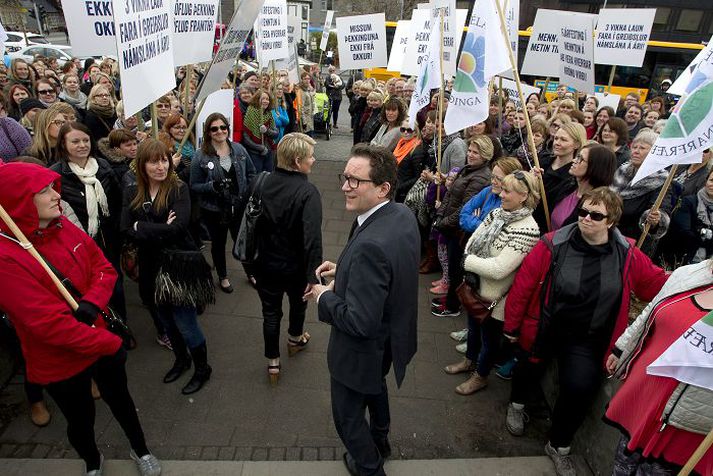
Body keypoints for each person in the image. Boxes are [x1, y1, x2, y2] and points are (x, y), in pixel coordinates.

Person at [0, 162, 162, 476]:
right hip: (60, 359)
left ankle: (140, 448)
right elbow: (46, 324)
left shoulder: (63, 225)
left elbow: (103, 269)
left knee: (122, 403)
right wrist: (109, 343)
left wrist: (90, 302)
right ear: (18, 201)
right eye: (43, 191)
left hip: (98, 337)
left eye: (52, 187)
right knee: (80, 419)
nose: (55, 195)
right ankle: (91, 461)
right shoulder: (7, 258)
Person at [503, 187, 667, 475]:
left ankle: (558, 445)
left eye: (595, 215)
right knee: (527, 364)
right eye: (582, 212)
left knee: (579, 388)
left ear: (611, 221)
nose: (586, 218)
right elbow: (524, 286)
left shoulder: (627, 254)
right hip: (546, 326)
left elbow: (656, 285)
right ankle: (517, 404)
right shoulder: (553, 244)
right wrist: (512, 326)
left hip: (589, 338)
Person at [307, 144, 419, 476]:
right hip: (388, 341)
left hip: (359, 352)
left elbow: (359, 321)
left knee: (348, 417)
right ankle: (380, 442)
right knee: (375, 387)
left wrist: (323, 296)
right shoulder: (399, 214)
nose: (344, 186)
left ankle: (370, 466)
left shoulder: (372, 244)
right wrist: (344, 269)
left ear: (383, 188)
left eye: (355, 181)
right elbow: (387, 268)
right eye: (345, 177)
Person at [121, 139, 212, 395]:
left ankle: (202, 368)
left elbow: (178, 228)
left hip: (177, 267)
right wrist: (158, 227)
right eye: (154, 161)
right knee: (165, 322)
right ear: (142, 164)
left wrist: (143, 226)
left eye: (164, 159)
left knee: (186, 324)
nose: (161, 166)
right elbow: (125, 229)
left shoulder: (178, 189)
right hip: (150, 266)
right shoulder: (131, 191)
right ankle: (181, 361)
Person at [604, 260, 713, 475]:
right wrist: (622, 348)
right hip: (643, 397)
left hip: (685, 425)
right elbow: (651, 309)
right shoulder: (689, 273)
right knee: (622, 468)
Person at [445, 171, 541, 394]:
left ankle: (480, 376)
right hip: (474, 287)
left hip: (495, 298)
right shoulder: (496, 214)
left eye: (508, 191)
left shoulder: (528, 229)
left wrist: (467, 261)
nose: (502, 194)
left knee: (489, 340)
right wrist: (472, 259)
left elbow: (500, 269)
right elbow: (473, 241)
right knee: (473, 330)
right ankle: (468, 361)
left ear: (524, 195)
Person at [252, 133, 322, 383]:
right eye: (310, 156)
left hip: (265, 263)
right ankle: (295, 339)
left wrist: (249, 263)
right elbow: (312, 238)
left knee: (270, 313)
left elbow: (250, 225)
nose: (314, 160)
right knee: (298, 304)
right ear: (296, 160)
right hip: (295, 267)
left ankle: (273, 363)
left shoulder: (261, 183)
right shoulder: (308, 191)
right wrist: (313, 276)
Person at [50, 122, 126, 321]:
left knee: (116, 285)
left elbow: (119, 202)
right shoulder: (57, 174)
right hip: (79, 244)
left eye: (85, 140)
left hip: (109, 241)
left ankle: (121, 326)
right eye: (75, 141)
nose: (82, 145)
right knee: (91, 290)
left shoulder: (104, 167)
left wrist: (119, 230)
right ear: (63, 145)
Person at [191, 112, 256, 292]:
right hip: (214, 210)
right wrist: (212, 186)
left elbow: (251, 173)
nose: (220, 131)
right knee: (219, 244)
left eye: (223, 127)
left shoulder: (239, 149)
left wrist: (247, 193)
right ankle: (223, 276)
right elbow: (194, 185)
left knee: (243, 241)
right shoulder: (200, 156)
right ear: (208, 132)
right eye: (214, 128)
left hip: (239, 207)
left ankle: (250, 272)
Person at [611, 130, 672, 253]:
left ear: (654, 153)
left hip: (632, 242)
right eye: (634, 147)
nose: (636, 151)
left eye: (642, 148)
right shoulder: (622, 170)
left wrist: (655, 218)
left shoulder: (661, 180)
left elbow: (661, 209)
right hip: (608, 233)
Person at [534, 121, 587, 231]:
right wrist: (530, 180)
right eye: (556, 138)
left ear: (576, 144)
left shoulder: (573, 175)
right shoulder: (543, 161)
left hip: (547, 228)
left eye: (563, 140)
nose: (557, 142)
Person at [550, 144, 617, 230]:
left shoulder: (597, 204)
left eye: (580, 159)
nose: (574, 160)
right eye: (577, 156)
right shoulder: (568, 185)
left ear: (595, 166)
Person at [242, 88, 278, 173]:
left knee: (269, 176)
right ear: (257, 100)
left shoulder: (269, 113)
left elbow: (276, 133)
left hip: (269, 150)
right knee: (257, 176)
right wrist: (260, 148)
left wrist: (267, 131)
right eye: (263, 99)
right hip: (255, 153)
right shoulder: (250, 111)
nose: (265, 101)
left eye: (267, 99)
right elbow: (245, 137)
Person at [296, 72, 315, 137]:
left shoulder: (307, 89)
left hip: (310, 119)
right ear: (302, 80)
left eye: (308, 79)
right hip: (305, 121)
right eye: (305, 79)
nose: (307, 80)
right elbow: (301, 107)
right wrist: (304, 122)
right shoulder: (301, 91)